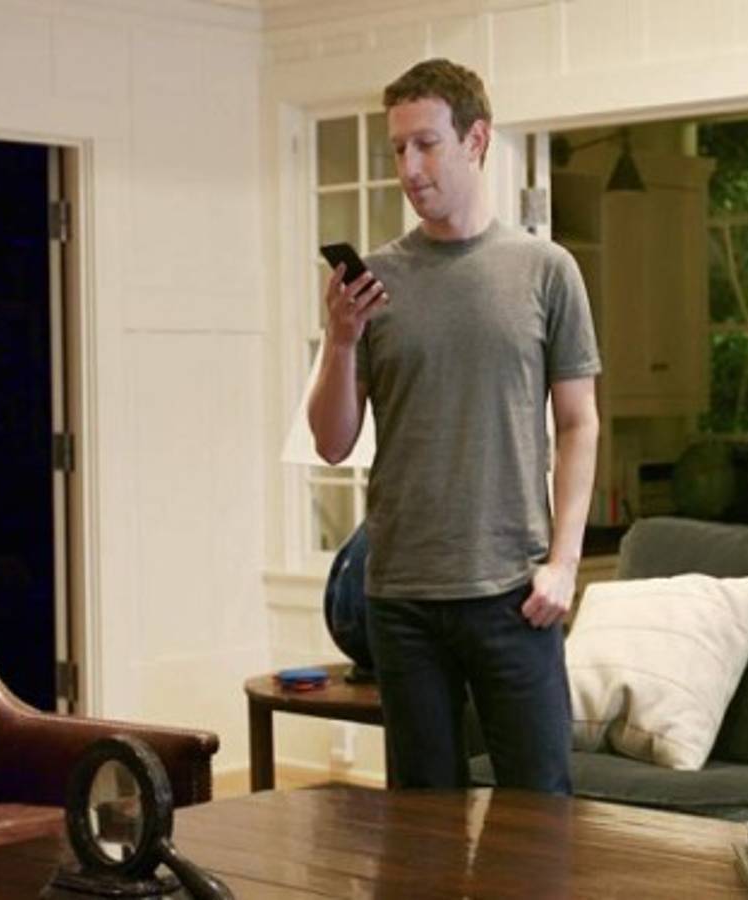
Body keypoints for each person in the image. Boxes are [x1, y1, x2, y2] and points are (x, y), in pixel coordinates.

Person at [307, 58, 600, 794]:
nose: (409, 168)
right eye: (398, 148)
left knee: (541, 824)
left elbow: (578, 424)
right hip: (400, 599)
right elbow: (332, 442)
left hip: (516, 595)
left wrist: (564, 563)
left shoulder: (546, 270)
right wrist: (338, 342)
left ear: (476, 140)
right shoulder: (372, 283)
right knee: (420, 834)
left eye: (427, 144)